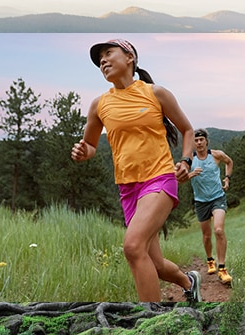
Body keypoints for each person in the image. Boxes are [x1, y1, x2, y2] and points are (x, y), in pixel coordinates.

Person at [71, 38, 202, 302]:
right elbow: (92, 145)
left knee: (132, 246)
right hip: (128, 188)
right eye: (99, 60)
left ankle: (149, 321)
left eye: (109, 54)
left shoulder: (155, 93)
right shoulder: (99, 105)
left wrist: (186, 161)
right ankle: (189, 283)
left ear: (129, 57)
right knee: (154, 264)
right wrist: (84, 152)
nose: (103, 61)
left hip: (159, 179)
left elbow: (187, 129)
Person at [187, 128, 234, 284]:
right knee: (207, 236)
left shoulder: (216, 155)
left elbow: (229, 162)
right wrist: (190, 175)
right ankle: (209, 260)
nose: (199, 142)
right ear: (193, 143)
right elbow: (178, 178)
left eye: (201, 140)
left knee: (219, 230)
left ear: (206, 141)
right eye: (196, 140)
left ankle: (222, 269)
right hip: (201, 201)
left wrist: (227, 178)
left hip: (217, 198)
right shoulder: (190, 161)